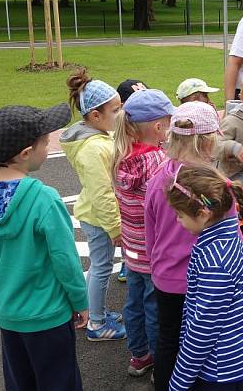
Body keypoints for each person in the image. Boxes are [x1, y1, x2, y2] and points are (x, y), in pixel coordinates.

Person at [0, 103, 88, 391]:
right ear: (27, 153)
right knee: (59, 382)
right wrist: (80, 302)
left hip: (9, 313)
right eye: (45, 142)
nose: (48, 147)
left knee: (19, 383)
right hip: (47, 316)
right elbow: (65, 259)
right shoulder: (44, 199)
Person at [167, 165, 243, 391]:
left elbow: (203, 329)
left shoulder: (215, 263)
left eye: (180, 215)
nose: (177, 220)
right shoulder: (228, 234)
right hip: (237, 360)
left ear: (203, 214)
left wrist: (180, 381)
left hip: (220, 372)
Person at [144, 101, 222, 391]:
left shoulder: (158, 178)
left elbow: (150, 230)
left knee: (168, 339)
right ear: (208, 141)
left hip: (166, 277)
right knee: (204, 341)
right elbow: (229, 236)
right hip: (205, 281)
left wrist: (156, 265)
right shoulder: (215, 185)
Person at [113, 89, 176, 377]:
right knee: (155, 307)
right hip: (154, 247)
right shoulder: (157, 161)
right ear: (158, 126)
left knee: (133, 302)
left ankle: (139, 355)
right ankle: (158, 359)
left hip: (131, 248)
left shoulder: (121, 156)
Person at [60, 68, 127, 340]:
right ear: (96, 116)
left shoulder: (99, 136)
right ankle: (97, 323)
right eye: (116, 110)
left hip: (97, 214)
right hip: (100, 218)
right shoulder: (93, 148)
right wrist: (115, 227)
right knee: (101, 268)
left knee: (100, 266)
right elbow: (102, 192)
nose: (121, 114)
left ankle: (96, 312)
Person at [115, 78, 149, 283]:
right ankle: (127, 263)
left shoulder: (124, 144)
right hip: (133, 215)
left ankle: (130, 263)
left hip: (133, 216)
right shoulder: (119, 142)